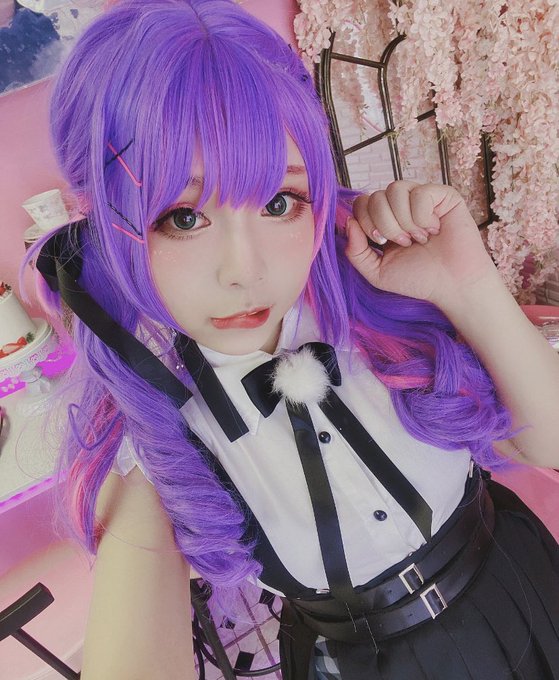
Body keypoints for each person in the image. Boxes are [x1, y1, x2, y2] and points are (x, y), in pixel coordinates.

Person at [26, 0, 559, 678]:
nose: (244, 271)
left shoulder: (383, 303)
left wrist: (470, 287)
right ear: (101, 220)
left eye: (279, 203)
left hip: (520, 587)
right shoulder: (154, 428)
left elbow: (548, 444)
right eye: (182, 217)